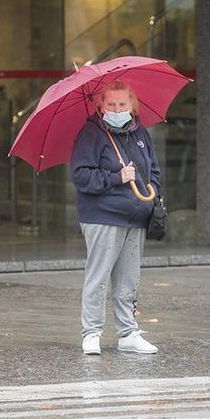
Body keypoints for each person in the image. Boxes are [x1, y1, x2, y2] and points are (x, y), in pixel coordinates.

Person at [71, 80, 162, 356]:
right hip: (103, 216)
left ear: (132, 104)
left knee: (128, 279)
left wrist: (152, 189)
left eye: (122, 104)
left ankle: (128, 332)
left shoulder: (140, 133)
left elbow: (153, 170)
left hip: (136, 216)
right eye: (111, 104)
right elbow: (81, 176)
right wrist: (116, 177)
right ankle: (92, 332)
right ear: (101, 104)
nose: (117, 109)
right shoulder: (91, 133)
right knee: (98, 277)